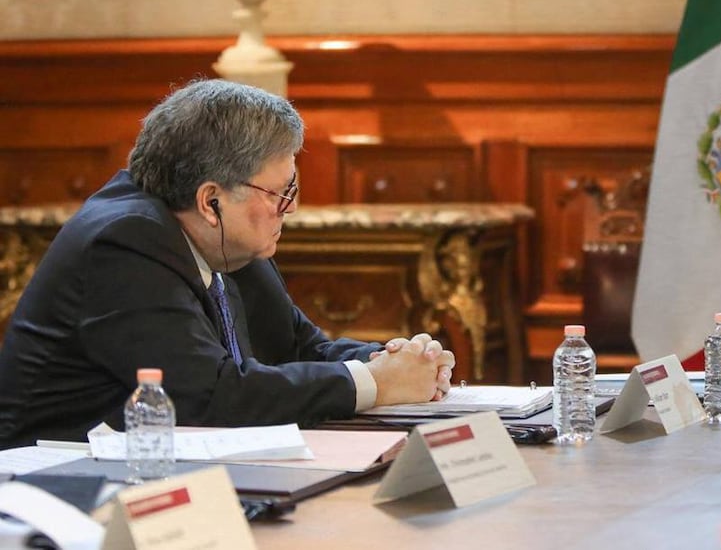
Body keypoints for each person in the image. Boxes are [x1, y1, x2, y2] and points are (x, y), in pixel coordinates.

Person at [0, 79, 455, 448]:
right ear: (211, 201)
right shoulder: (121, 242)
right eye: (281, 194)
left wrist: (399, 361)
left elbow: (299, 349)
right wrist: (374, 383)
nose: (290, 209)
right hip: (58, 487)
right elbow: (208, 395)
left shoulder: (223, 238)